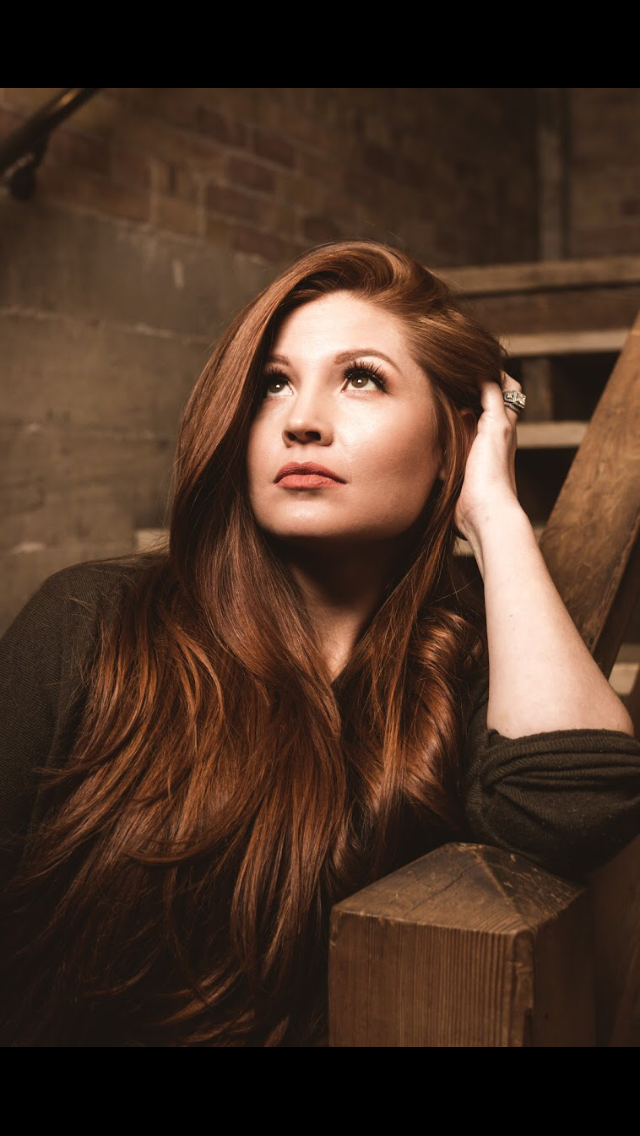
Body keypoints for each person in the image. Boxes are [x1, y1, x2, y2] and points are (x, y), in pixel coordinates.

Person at [1, 239, 639, 1048]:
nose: (301, 420)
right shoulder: (90, 624)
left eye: (361, 378)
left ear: (455, 442)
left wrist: (497, 516)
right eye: (273, 384)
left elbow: (575, 806)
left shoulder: (468, 667)